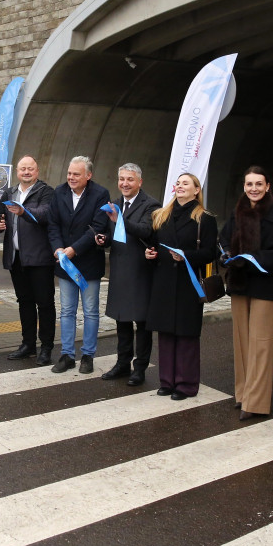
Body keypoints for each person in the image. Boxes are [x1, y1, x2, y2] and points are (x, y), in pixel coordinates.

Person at [218, 166, 273, 420]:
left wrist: (249, 259)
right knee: (241, 341)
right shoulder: (237, 212)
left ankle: (256, 401)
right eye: (249, 184)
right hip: (239, 281)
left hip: (266, 284)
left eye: (259, 184)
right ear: (244, 187)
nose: (254, 189)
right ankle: (243, 393)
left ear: (267, 186)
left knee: (260, 343)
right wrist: (226, 253)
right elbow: (224, 238)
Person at [144, 173, 217, 400]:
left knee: (186, 334)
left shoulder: (204, 218)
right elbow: (155, 245)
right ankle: (167, 381)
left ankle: (185, 384)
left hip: (188, 283)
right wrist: (150, 254)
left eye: (186, 183)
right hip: (164, 282)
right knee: (165, 333)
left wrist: (186, 256)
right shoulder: (161, 215)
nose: (180, 186)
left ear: (196, 190)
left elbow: (210, 253)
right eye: (178, 183)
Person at [46, 156, 110, 374]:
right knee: (66, 311)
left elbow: (98, 227)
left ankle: (88, 356)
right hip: (65, 264)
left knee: (91, 311)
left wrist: (73, 250)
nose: (71, 177)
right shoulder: (59, 192)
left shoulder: (100, 194)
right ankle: (67, 355)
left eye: (76, 174)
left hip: (88, 263)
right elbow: (52, 224)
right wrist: (57, 248)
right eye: (69, 173)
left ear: (88, 176)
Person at [96, 163, 158, 385]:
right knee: (121, 320)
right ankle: (122, 363)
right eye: (121, 179)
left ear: (139, 182)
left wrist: (119, 219)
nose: (124, 183)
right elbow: (115, 235)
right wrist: (104, 239)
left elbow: (146, 230)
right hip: (120, 270)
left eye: (129, 179)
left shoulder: (151, 204)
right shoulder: (115, 203)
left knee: (141, 323)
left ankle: (139, 368)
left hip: (140, 271)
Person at [0, 155, 55, 365]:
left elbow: (45, 214)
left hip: (39, 258)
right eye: (22, 169)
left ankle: (46, 347)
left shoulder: (46, 192)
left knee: (45, 304)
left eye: (30, 169)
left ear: (37, 171)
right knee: (24, 303)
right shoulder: (9, 192)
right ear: (17, 172)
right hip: (16, 257)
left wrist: (23, 211)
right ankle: (28, 344)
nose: (26, 172)